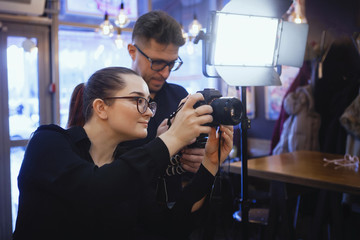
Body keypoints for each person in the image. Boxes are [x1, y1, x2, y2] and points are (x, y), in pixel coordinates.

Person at [12, 67, 234, 240]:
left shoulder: (127, 164)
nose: (148, 112)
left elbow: (170, 227)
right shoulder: (48, 141)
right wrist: (173, 138)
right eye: (138, 100)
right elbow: (96, 189)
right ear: (101, 108)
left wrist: (210, 163)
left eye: (149, 103)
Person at [123, 10, 205, 207]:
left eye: (172, 63)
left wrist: (199, 160)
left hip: (171, 210)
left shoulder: (179, 97)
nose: (166, 73)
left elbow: (186, 163)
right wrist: (161, 144)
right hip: (124, 212)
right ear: (132, 51)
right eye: (157, 63)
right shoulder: (113, 99)